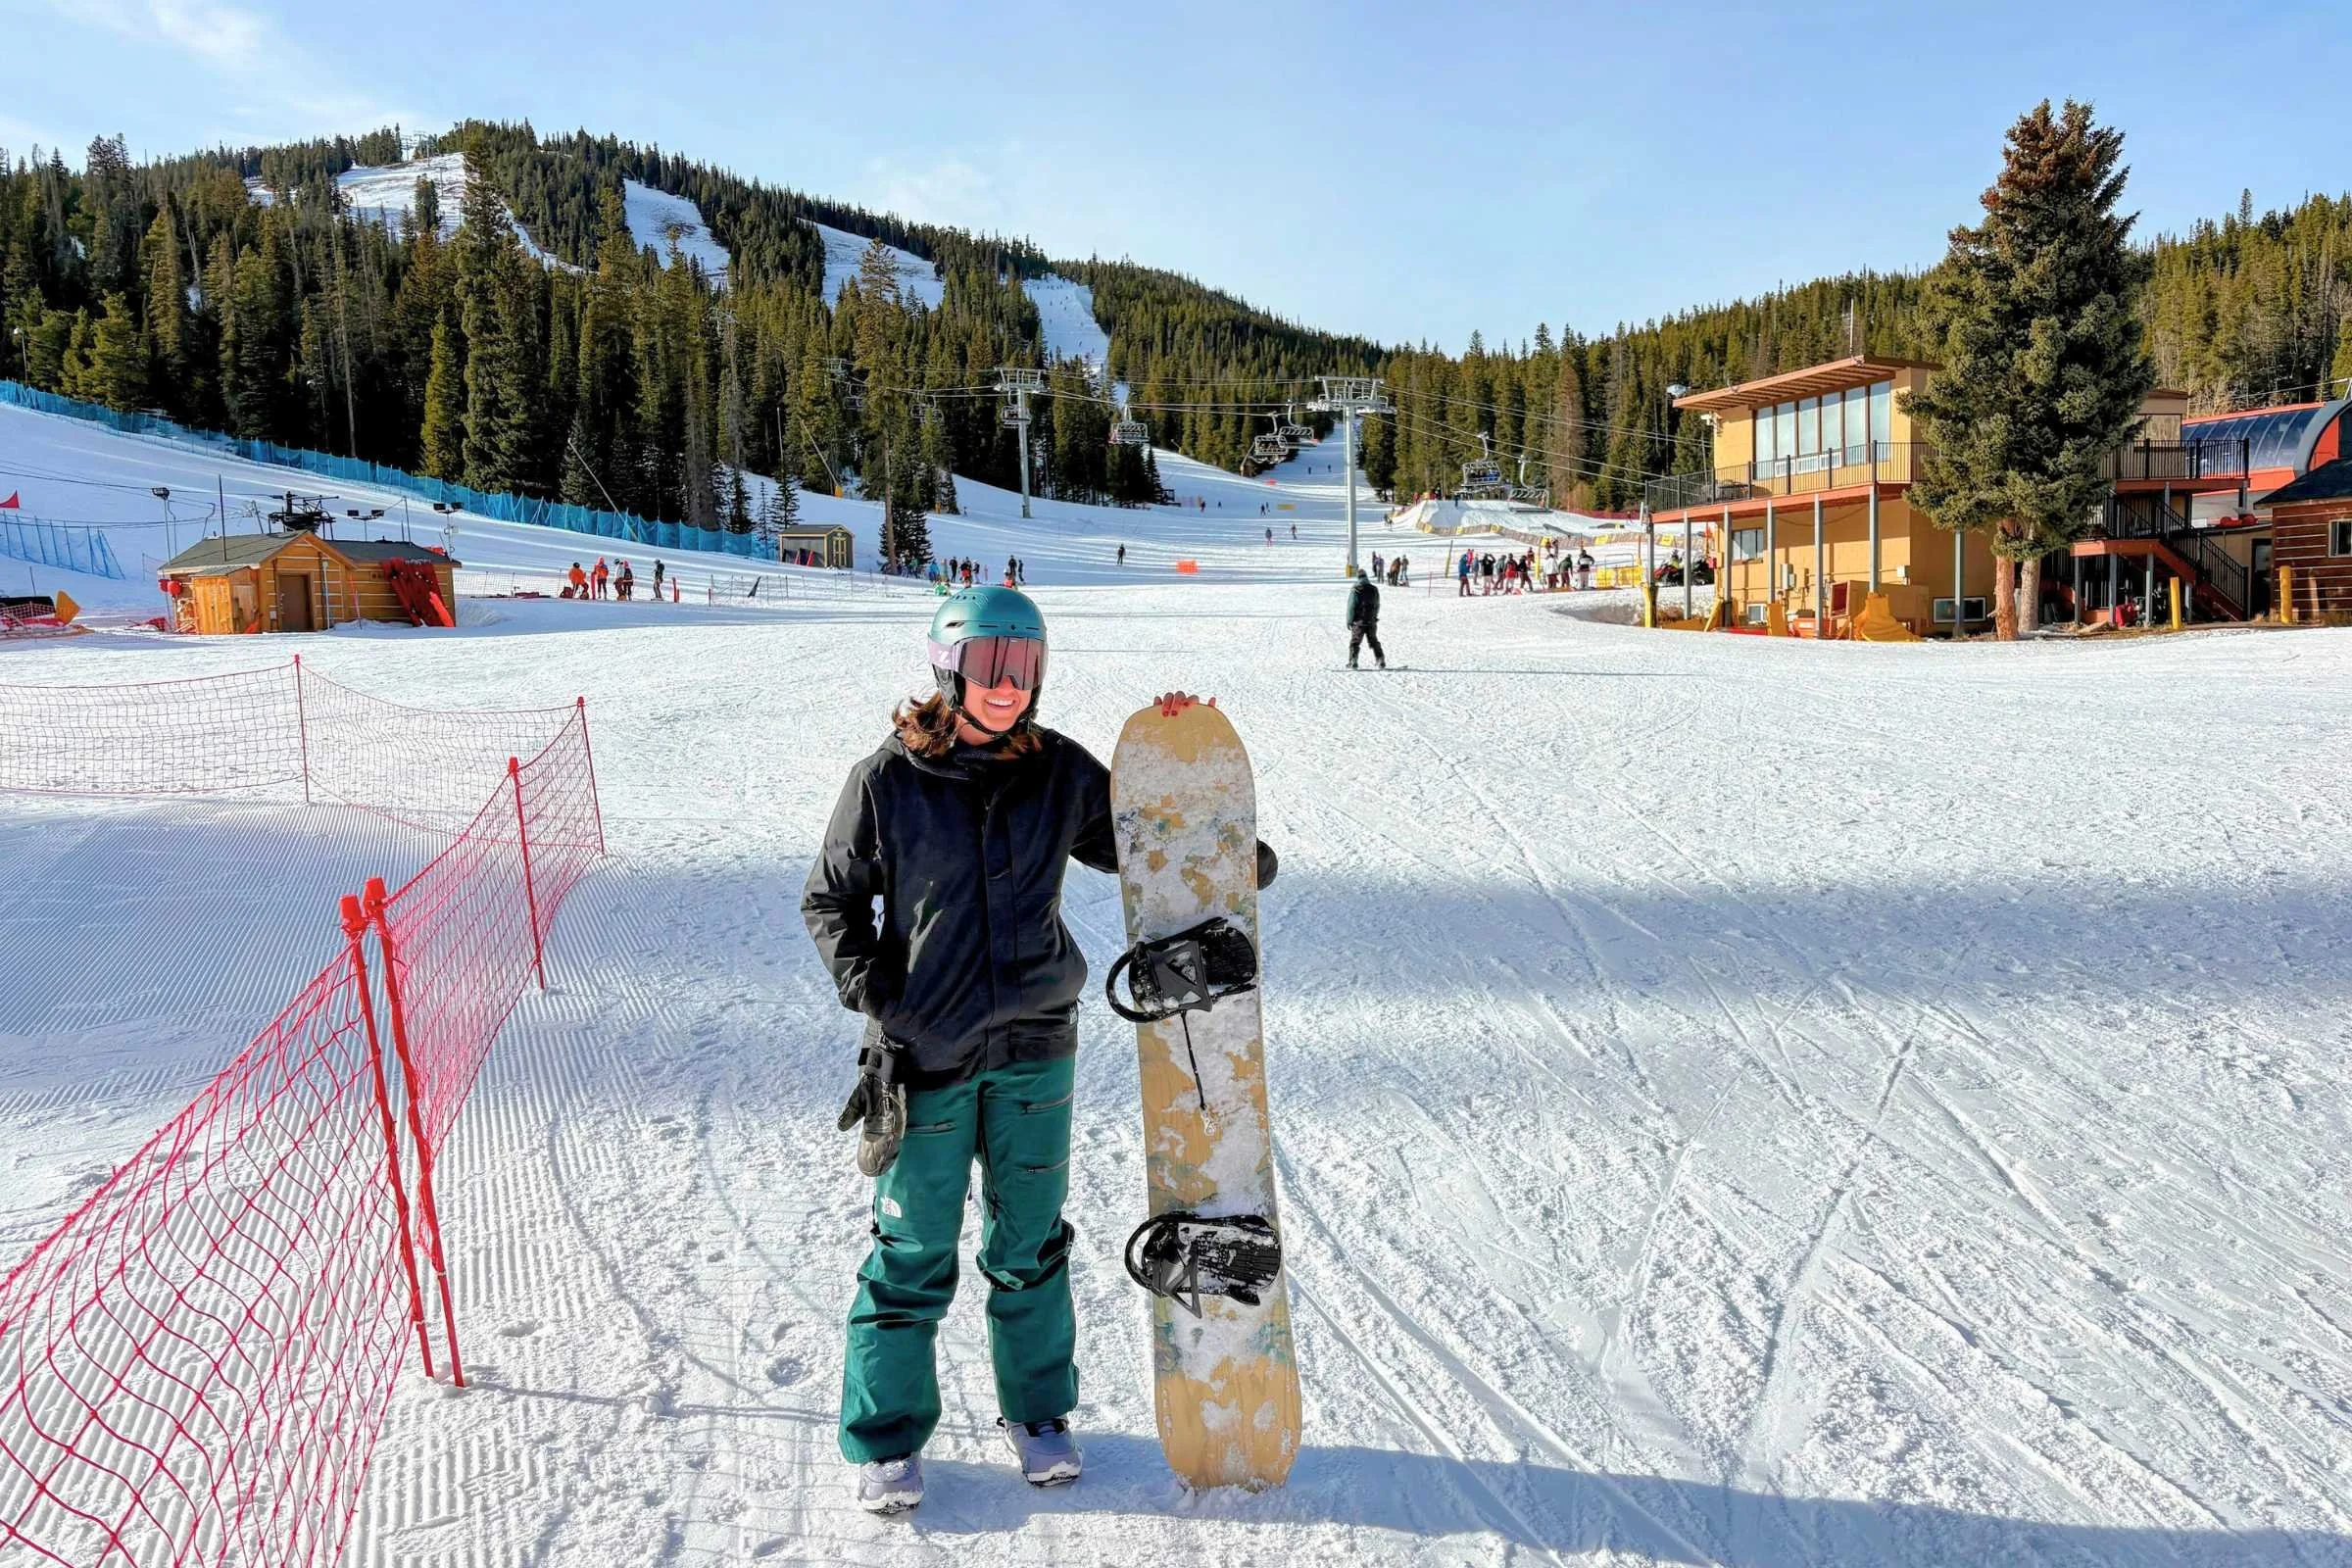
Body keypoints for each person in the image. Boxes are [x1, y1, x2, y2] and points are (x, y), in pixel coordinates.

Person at [804, 586, 1278, 1515]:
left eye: (1023, 668)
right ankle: (887, 1436)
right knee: (912, 1254)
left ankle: (1039, 1416)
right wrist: (882, 995)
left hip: (1036, 1049)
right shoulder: (886, 781)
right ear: (949, 668)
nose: (1007, 688)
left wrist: (1183, 771)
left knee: (1029, 1245)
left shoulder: (1057, 771)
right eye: (989, 666)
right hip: (926, 1058)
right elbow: (830, 901)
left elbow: (1153, 842)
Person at [1346, 566, 1386, 670]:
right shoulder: (1374, 589)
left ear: (1358, 578)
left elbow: (1351, 607)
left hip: (1359, 621)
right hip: (1371, 620)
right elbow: (1377, 604)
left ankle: (1353, 661)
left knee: (1355, 641)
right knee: (1373, 641)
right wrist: (1374, 616)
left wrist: (1349, 621)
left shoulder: (1356, 590)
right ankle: (1380, 659)